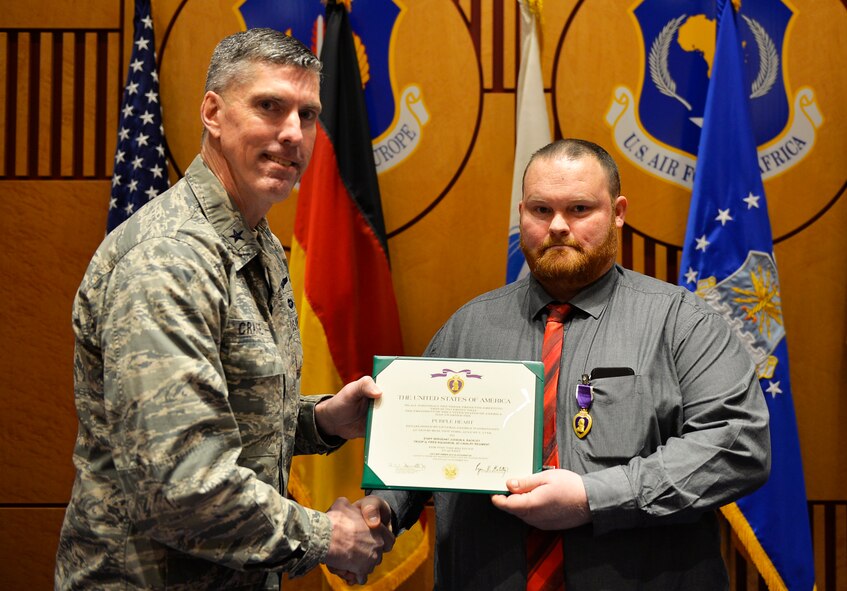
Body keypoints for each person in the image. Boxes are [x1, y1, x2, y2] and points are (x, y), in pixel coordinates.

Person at [55, 28, 393, 590]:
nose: (293, 134)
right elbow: (180, 485)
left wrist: (322, 420)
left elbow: (224, 412)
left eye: (307, 115)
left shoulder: (253, 240)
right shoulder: (169, 260)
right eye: (269, 107)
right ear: (213, 112)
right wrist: (330, 535)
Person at [375, 139, 771, 589]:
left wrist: (592, 497)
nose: (558, 226)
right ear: (522, 213)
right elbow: (420, 450)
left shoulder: (682, 322)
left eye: (580, 209)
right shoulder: (468, 328)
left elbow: (738, 445)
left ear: (618, 212)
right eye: (541, 210)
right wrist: (384, 508)